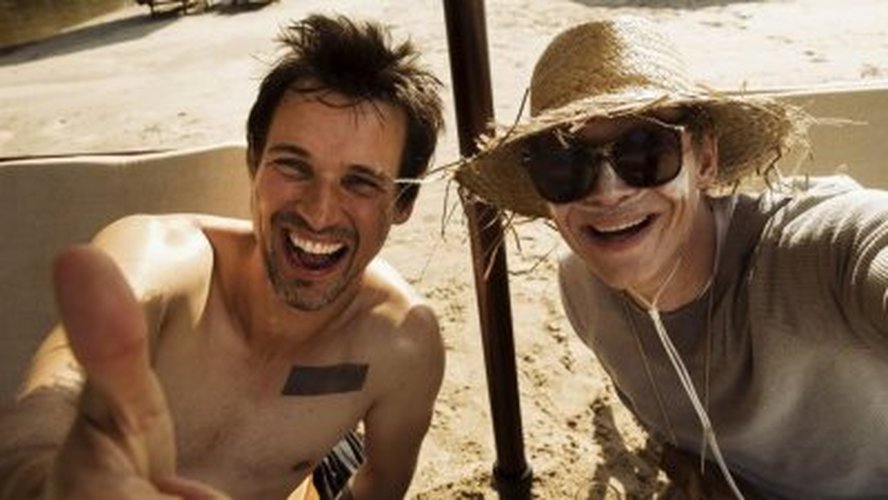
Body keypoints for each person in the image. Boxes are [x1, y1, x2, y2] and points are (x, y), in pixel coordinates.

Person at [0, 13, 445, 500]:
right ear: (254, 163)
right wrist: (41, 477)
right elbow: (56, 393)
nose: (318, 213)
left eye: (359, 183)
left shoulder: (401, 345)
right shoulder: (161, 258)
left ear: (402, 203)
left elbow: (381, 482)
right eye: (293, 166)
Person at [457, 15, 888, 500]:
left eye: (645, 151)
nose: (608, 192)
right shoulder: (584, 290)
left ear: (705, 160)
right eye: (564, 165)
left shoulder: (817, 249)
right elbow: (679, 442)